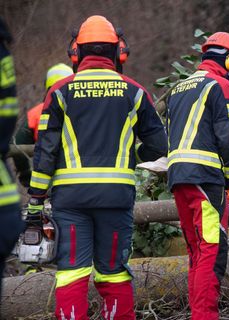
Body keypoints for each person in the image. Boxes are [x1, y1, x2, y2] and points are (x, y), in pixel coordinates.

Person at [27, 15, 168, 319]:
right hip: (116, 198)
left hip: (71, 201)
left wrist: (36, 200)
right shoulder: (135, 92)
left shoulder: (60, 92)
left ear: (75, 54)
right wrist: (130, 156)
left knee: (72, 272)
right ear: (119, 53)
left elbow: (46, 151)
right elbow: (159, 147)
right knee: (114, 272)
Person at [166, 31, 229, 320]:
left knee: (196, 251)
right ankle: (204, 316)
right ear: (228, 57)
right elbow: (226, 138)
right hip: (206, 177)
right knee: (212, 252)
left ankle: (198, 314)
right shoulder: (220, 84)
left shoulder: (179, 87)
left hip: (179, 178)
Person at [13, 63, 73, 187]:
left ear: (47, 85)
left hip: (45, 185)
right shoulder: (83, 111)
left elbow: (18, 145)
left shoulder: (35, 113)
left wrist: (25, 174)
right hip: (79, 182)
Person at [0, 16, 24, 301]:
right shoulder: (132, 90)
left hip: (67, 194)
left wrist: (35, 187)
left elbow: (30, 151)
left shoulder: (59, 94)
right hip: (5, 205)